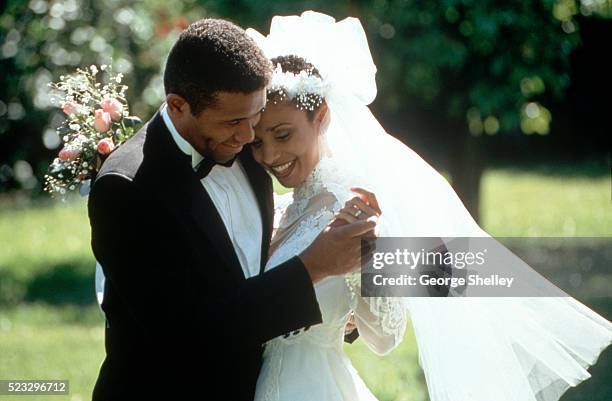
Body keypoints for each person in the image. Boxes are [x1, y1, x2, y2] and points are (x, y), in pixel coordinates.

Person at [247, 11, 612, 401]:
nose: (269, 154)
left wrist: (362, 264)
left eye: (283, 135)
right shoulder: (281, 206)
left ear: (321, 118)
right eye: (256, 140)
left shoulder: (351, 207)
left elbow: (387, 336)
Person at [88, 18, 378, 401]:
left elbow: (446, 271)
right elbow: (191, 334)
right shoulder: (127, 189)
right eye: (235, 123)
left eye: (255, 119)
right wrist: (315, 267)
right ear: (178, 106)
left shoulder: (243, 146)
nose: (250, 140)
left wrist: (341, 305)